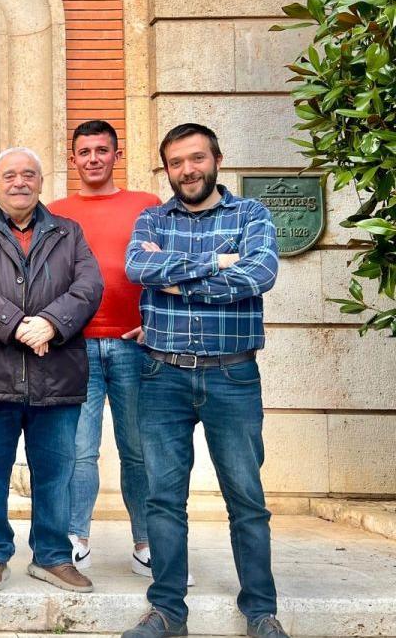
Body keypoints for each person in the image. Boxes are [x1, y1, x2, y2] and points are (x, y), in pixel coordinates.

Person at [122, 123, 286, 638]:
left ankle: (261, 611)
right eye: (175, 162)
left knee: (246, 498)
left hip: (232, 375)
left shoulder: (252, 214)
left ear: (216, 158)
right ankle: (168, 611)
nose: (187, 170)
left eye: (196, 159)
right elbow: (135, 268)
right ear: (166, 168)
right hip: (162, 373)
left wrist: (174, 280)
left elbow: (259, 275)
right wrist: (216, 262)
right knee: (163, 498)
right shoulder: (151, 218)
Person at [0, 146, 103, 593]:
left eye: (28, 174)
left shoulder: (70, 233)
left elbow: (89, 286)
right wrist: (16, 326)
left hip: (57, 375)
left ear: (40, 181)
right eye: (9, 175)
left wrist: (52, 323)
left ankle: (52, 557)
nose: (19, 182)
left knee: (56, 473)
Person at [49, 120, 173, 579]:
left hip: (135, 345)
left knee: (139, 450)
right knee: (79, 450)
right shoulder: (56, 211)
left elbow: (169, 266)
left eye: (102, 150)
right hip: (76, 347)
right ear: (74, 158)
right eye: (85, 151)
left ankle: (146, 543)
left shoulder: (147, 205)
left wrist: (155, 322)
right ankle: (76, 539)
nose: (93, 158)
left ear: (116, 154)